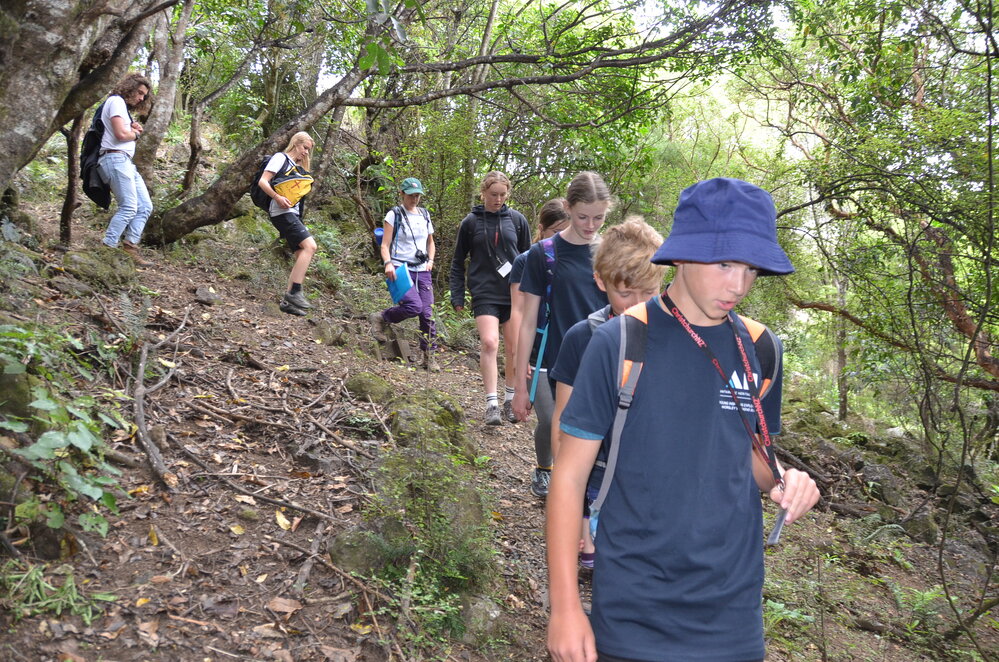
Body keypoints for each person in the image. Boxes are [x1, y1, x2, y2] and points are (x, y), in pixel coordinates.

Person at [546, 178, 821, 662]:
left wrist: (784, 479)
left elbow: (754, 454)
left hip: (733, 614)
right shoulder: (619, 343)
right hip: (635, 608)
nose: (738, 285)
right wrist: (566, 608)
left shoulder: (760, 348)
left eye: (750, 268)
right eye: (724, 264)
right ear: (684, 256)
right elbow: (567, 479)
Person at [548, 218, 665, 568]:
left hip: (654, 486)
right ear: (600, 281)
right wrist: (579, 511)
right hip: (597, 477)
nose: (637, 305)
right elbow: (562, 427)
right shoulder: (583, 338)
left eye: (649, 292)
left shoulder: (676, 340)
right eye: (625, 293)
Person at [512, 171, 611, 496]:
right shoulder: (544, 254)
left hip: (598, 363)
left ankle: (579, 500)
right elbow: (527, 321)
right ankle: (552, 478)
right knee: (556, 427)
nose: (591, 224)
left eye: (599, 217)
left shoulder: (610, 253)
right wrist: (519, 387)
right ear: (568, 208)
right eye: (583, 216)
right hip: (551, 360)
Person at [449, 172, 531, 425]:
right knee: (489, 342)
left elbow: (529, 259)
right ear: (483, 193)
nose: (498, 199)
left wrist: (534, 295)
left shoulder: (517, 221)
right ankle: (491, 403)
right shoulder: (470, 222)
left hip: (514, 293)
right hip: (484, 291)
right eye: (493, 194)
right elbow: (457, 261)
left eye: (502, 195)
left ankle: (509, 399)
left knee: (514, 349)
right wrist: (457, 294)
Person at [508, 200, 570, 491]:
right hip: (539, 351)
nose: (561, 236)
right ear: (541, 229)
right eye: (556, 230)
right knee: (549, 418)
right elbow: (519, 312)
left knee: (568, 420)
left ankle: (567, 478)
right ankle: (544, 469)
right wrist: (521, 362)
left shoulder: (580, 258)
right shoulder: (527, 260)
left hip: (570, 349)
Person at [369, 177, 439, 371]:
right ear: (402, 193)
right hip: (401, 268)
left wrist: (431, 260)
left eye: (417, 195)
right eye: (411, 195)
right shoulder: (394, 214)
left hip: (422, 268)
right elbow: (385, 245)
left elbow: (430, 242)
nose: (414, 199)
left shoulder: (425, 215)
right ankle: (382, 317)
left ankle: (429, 357)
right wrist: (388, 263)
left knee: (427, 315)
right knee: (414, 307)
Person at [257, 131, 318, 316]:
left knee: (301, 253)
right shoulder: (280, 158)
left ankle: (287, 302)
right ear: (295, 144)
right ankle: (294, 292)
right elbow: (263, 181)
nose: (306, 152)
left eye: (309, 150)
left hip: (292, 214)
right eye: (304, 148)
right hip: (281, 213)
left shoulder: (297, 167)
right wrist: (276, 197)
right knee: (310, 247)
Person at [98, 72, 153, 266]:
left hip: (125, 161)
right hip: (114, 158)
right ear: (129, 87)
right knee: (129, 207)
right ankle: (108, 247)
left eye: (143, 96)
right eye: (139, 92)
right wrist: (135, 134)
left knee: (145, 206)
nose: (140, 98)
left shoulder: (122, 108)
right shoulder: (115, 101)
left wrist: (132, 127)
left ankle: (130, 246)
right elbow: (121, 134)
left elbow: (121, 130)